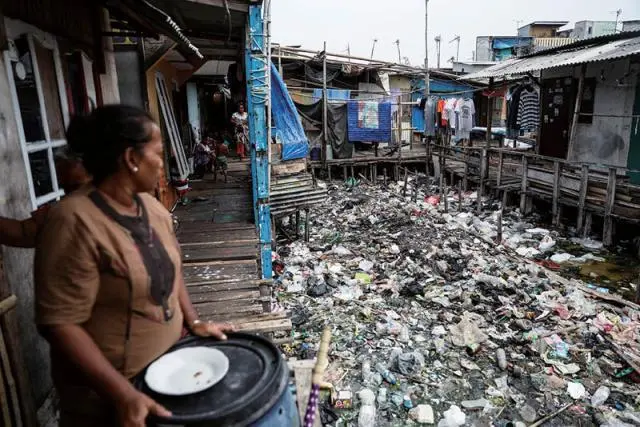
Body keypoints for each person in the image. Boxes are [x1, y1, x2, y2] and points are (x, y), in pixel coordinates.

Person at [34, 105, 235, 427]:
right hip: (110, 400)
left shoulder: (152, 207)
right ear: (131, 159)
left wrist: (194, 321)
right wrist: (121, 394)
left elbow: (173, 268)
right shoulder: (73, 221)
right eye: (158, 153)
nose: (162, 162)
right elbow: (60, 324)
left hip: (169, 373)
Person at [0, 148, 91, 248]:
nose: (70, 198)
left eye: (76, 188)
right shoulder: (64, 214)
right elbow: (23, 233)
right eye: (65, 189)